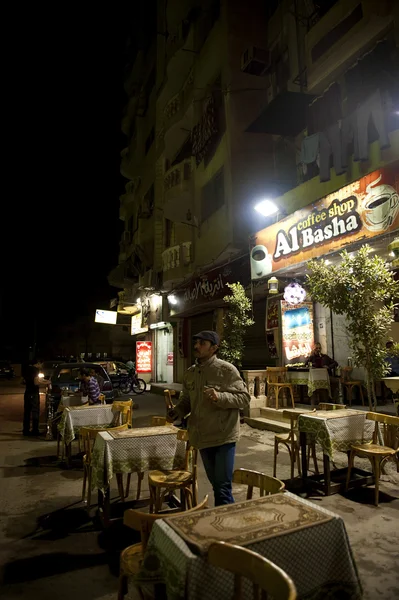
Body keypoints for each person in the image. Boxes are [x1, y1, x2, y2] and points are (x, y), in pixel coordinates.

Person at [167, 331, 250, 506]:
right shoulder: (190, 373)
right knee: (217, 485)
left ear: (214, 348)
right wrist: (178, 411)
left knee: (222, 488)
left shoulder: (226, 370)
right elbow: (187, 401)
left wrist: (219, 397)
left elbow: (244, 399)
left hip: (223, 437)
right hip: (202, 436)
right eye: (196, 342)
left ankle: (227, 526)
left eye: (202, 343)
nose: (197, 346)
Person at [23, 358, 43, 436]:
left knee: (27, 412)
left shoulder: (26, 369)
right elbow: (36, 382)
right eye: (41, 364)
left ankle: (26, 430)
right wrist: (44, 383)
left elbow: (22, 381)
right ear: (38, 363)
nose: (41, 366)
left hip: (27, 392)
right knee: (35, 411)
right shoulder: (35, 370)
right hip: (33, 393)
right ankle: (35, 430)